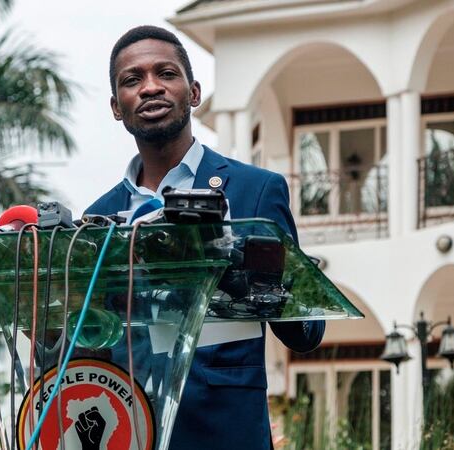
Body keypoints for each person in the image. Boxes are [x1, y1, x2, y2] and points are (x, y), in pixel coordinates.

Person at [84, 25, 325, 450]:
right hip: (130, 429)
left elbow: (305, 332)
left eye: (166, 74)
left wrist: (240, 266)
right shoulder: (99, 217)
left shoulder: (256, 189)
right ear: (116, 107)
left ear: (193, 93)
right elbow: (95, 345)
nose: (150, 87)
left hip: (226, 433)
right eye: (132, 79)